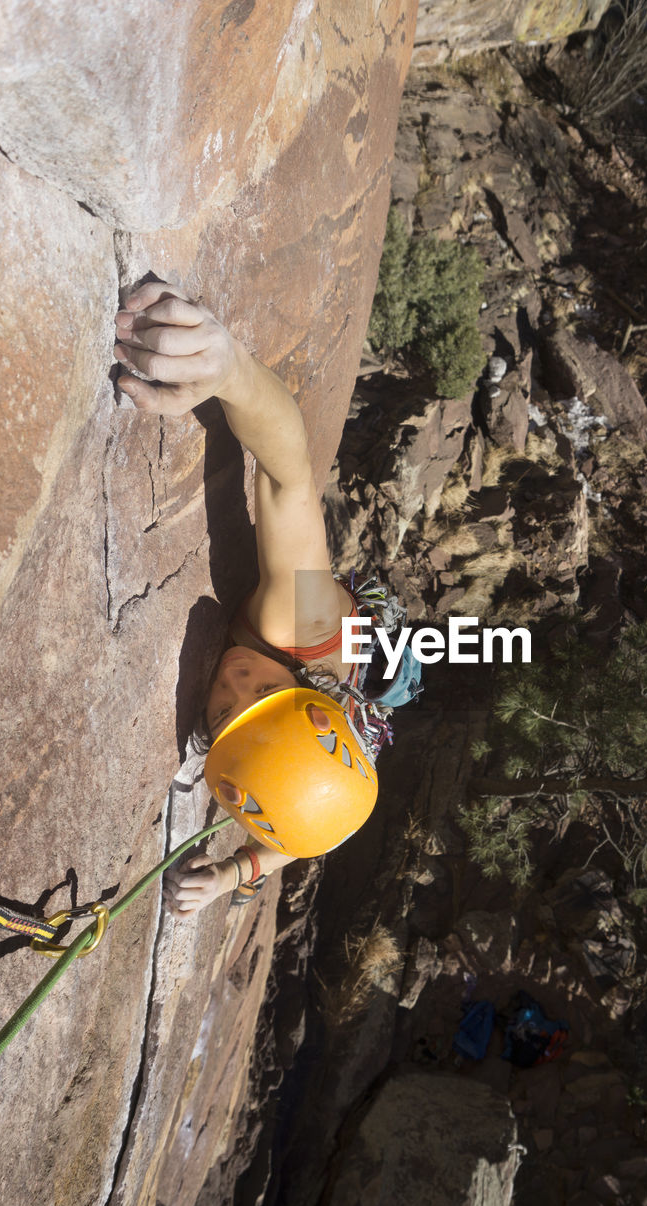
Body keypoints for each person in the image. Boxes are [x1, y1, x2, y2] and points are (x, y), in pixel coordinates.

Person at [114, 281, 420, 917]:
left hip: (342, 724)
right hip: (357, 643)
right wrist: (230, 370)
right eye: (261, 694)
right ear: (303, 690)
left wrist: (231, 876)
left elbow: (310, 829)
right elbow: (287, 474)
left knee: (316, 784)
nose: (232, 685)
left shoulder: (304, 767)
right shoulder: (299, 621)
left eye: (225, 714)